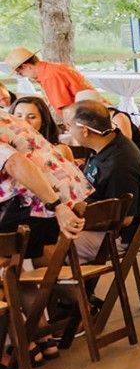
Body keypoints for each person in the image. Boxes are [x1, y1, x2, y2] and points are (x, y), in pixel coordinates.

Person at [65, 101, 140, 261]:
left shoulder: (120, 164)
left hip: (116, 236)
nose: (67, 131)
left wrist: (75, 221)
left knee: (47, 245)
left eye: (68, 125)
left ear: (84, 130)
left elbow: (125, 219)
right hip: (95, 221)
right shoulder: (106, 146)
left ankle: (66, 286)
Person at [0, 109, 89, 261]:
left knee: (6, 244)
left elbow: (16, 163)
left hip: (44, 200)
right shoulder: (5, 116)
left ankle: (16, 282)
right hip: (63, 194)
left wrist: (57, 206)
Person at [4, 46, 94, 114]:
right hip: (91, 109)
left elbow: (65, 108)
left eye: (20, 73)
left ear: (26, 67)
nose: (24, 76)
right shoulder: (52, 68)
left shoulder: (49, 76)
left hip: (88, 114)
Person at [11, 96, 73, 162]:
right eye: (19, 116)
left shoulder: (59, 150)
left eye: (32, 117)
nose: (24, 121)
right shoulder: (6, 149)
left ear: (43, 121)